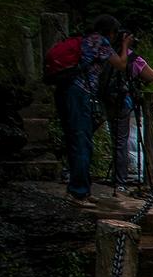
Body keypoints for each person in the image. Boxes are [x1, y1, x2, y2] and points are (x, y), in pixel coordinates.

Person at [55, 14, 132, 203]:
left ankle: (80, 188)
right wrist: (125, 46)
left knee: (76, 139)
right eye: (115, 33)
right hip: (80, 94)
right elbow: (121, 64)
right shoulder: (100, 41)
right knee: (82, 142)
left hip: (66, 91)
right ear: (110, 31)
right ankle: (78, 192)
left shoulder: (85, 39)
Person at [104, 45, 153, 192]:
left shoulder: (103, 53)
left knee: (111, 139)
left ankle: (114, 176)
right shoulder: (132, 58)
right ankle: (120, 181)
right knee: (121, 141)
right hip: (123, 102)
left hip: (103, 100)